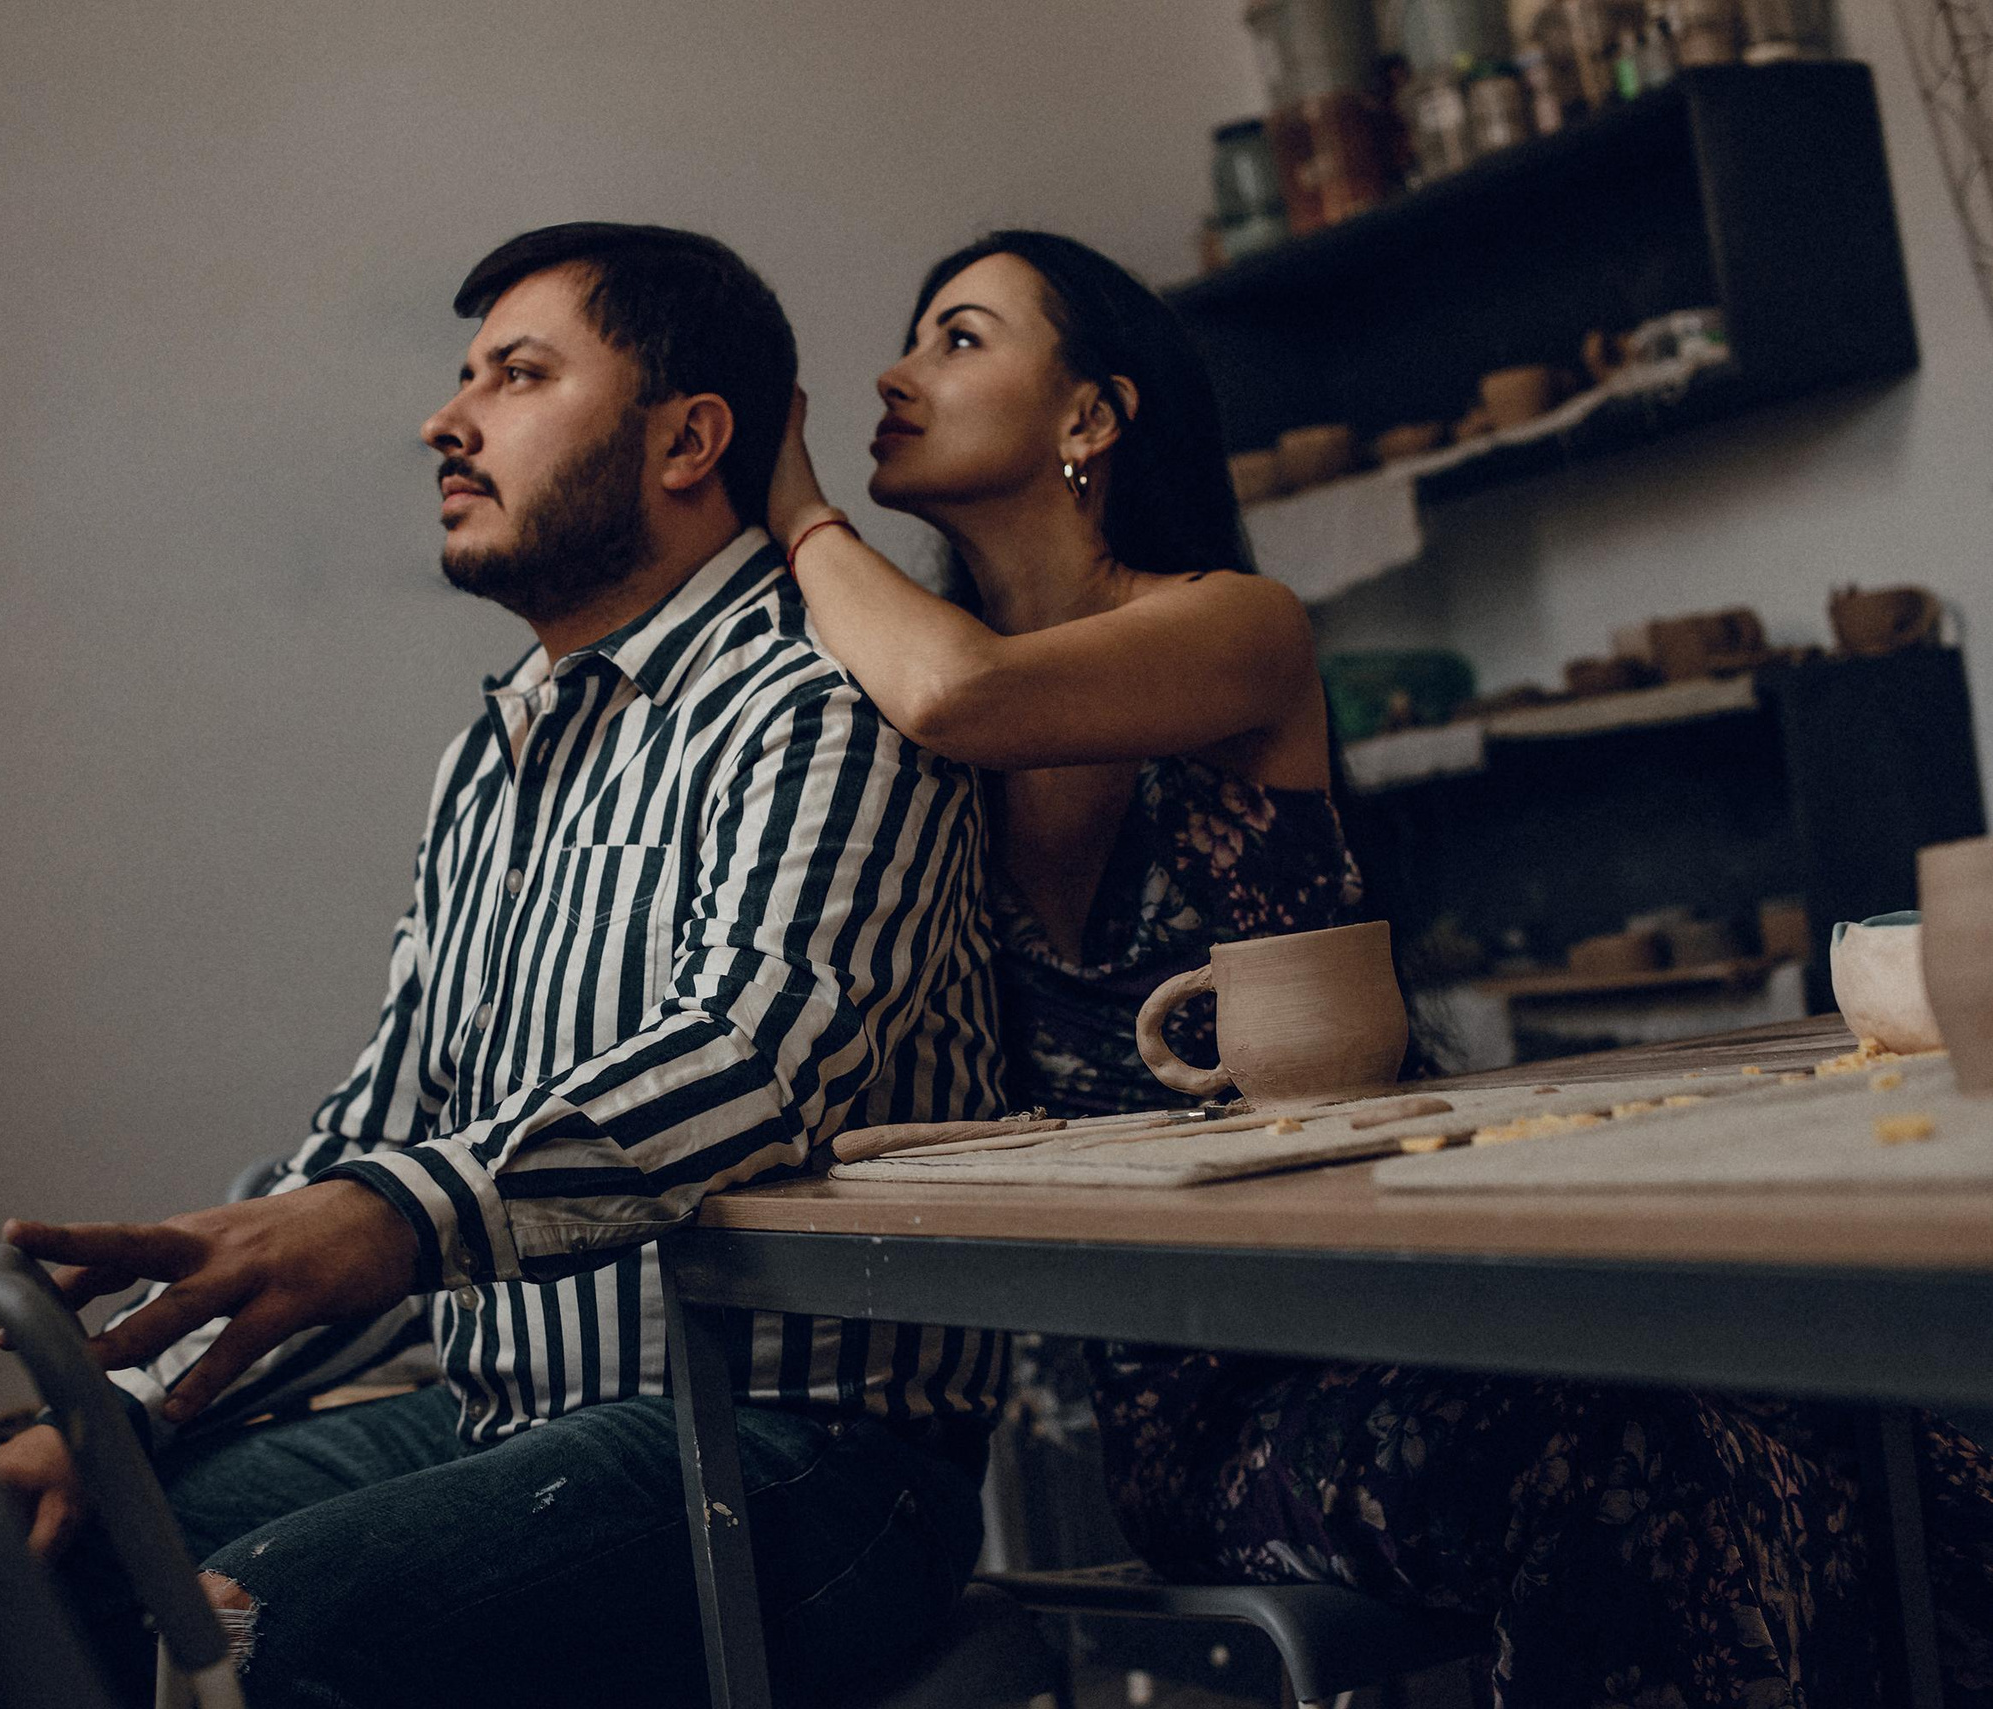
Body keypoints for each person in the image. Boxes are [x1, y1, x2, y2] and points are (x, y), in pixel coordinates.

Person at [766, 227, 1993, 1708]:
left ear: (1089, 414)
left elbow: (968, 690)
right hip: (1209, 1402)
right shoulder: (886, 725)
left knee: (1854, 1404)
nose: (897, 373)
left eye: (958, 337)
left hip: (1413, 1292)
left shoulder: (1236, 626)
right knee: (1624, 1446)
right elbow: (944, 692)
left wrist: (796, 509)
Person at [0, 222, 1009, 1709]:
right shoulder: (496, 752)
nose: (446, 417)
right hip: (509, 1417)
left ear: (689, 439)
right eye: (463, 375)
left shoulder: (819, 699)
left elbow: (753, 1060)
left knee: (281, 1623)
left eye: (519, 374)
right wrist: (124, 1415)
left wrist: (392, 1214)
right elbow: (390, 1131)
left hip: (804, 1456)